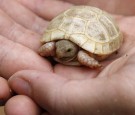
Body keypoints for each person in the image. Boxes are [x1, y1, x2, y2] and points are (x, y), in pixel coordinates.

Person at [0, 0, 135, 114]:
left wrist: (93, 63)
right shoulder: (56, 47)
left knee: (81, 55)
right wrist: (44, 51)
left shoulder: (82, 53)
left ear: (74, 49)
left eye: (68, 50)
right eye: (58, 49)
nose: (60, 53)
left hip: (94, 33)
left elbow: (81, 54)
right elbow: (50, 47)